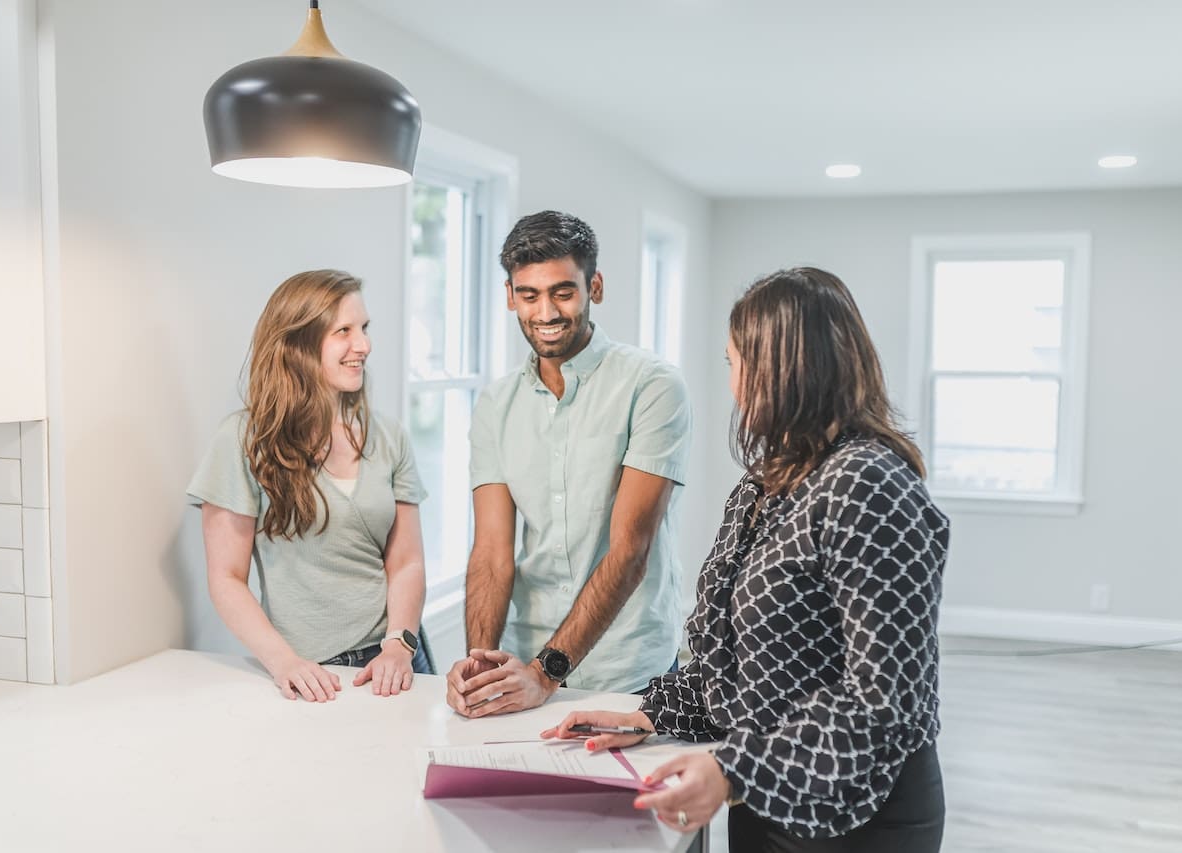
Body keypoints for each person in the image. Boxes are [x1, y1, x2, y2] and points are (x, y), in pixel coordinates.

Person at [543, 267, 949, 852]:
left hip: (856, 815)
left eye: (734, 362)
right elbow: (737, 664)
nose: (730, 383)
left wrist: (735, 770)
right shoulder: (769, 480)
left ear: (783, 370)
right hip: (767, 795)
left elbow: (884, 703)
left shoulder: (870, 485)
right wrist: (650, 714)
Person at [445, 210, 692, 717]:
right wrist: (481, 665)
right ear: (510, 295)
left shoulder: (652, 386)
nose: (546, 312)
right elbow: (492, 552)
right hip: (521, 664)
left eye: (563, 292)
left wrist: (546, 673)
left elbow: (630, 549)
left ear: (593, 287)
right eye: (529, 294)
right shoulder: (496, 405)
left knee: (618, 798)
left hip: (628, 668)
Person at [187, 269, 430, 703]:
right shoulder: (244, 441)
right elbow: (226, 578)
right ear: (298, 343)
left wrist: (400, 644)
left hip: (396, 663)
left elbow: (407, 560)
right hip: (312, 675)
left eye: (365, 329)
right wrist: (284, 662)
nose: (364, 345)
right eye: (344, 331)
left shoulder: (389, 437)